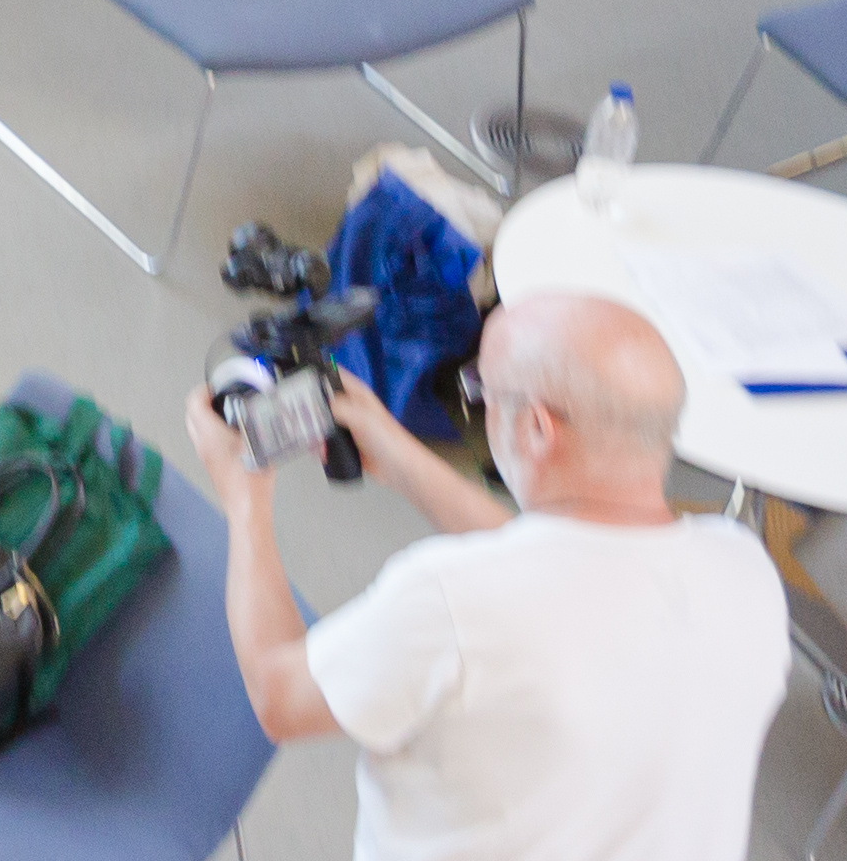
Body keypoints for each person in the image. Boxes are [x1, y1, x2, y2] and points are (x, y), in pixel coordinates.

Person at [183, 288, 788, 859]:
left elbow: (278, 696)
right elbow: (565, 568)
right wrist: (400, 458)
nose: (478, 406)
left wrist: (245, 500)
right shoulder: (743, 569)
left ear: (537, 429)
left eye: (482, 391)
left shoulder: (451, 599)